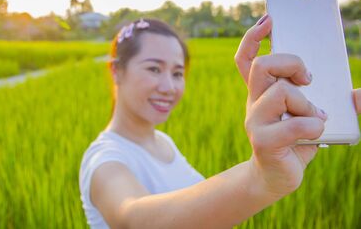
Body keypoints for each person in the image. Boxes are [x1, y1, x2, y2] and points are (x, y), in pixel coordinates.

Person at [79, 16, 361, 228]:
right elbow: (133, 218)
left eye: (178, 73)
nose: (169, 86)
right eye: (154, 68)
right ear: (116, 71)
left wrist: (265, 176)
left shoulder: (163, 142)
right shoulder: (105, 160)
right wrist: (260, 177)